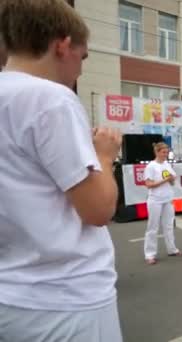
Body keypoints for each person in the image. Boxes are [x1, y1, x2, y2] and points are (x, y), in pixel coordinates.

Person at [0, 0, 123, 340]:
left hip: (10, 294)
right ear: (63, 45)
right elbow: (98, 209)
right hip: (66, 298)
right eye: (82, 58)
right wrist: (104, 156)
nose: (80, 71)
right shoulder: (51, 99)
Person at [143, 142, 182, 264]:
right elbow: (149, 184)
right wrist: (165, 179)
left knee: (169, 225)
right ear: (157, 152)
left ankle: (172, 249)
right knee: (153, 227)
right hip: (155, 200)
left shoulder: (167, 164)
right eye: (163, 152)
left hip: (167, 199)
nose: (165, 154)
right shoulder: (151, 166)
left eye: (167, 152)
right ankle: (150, 254)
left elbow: (171, 182)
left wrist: (170, 180)